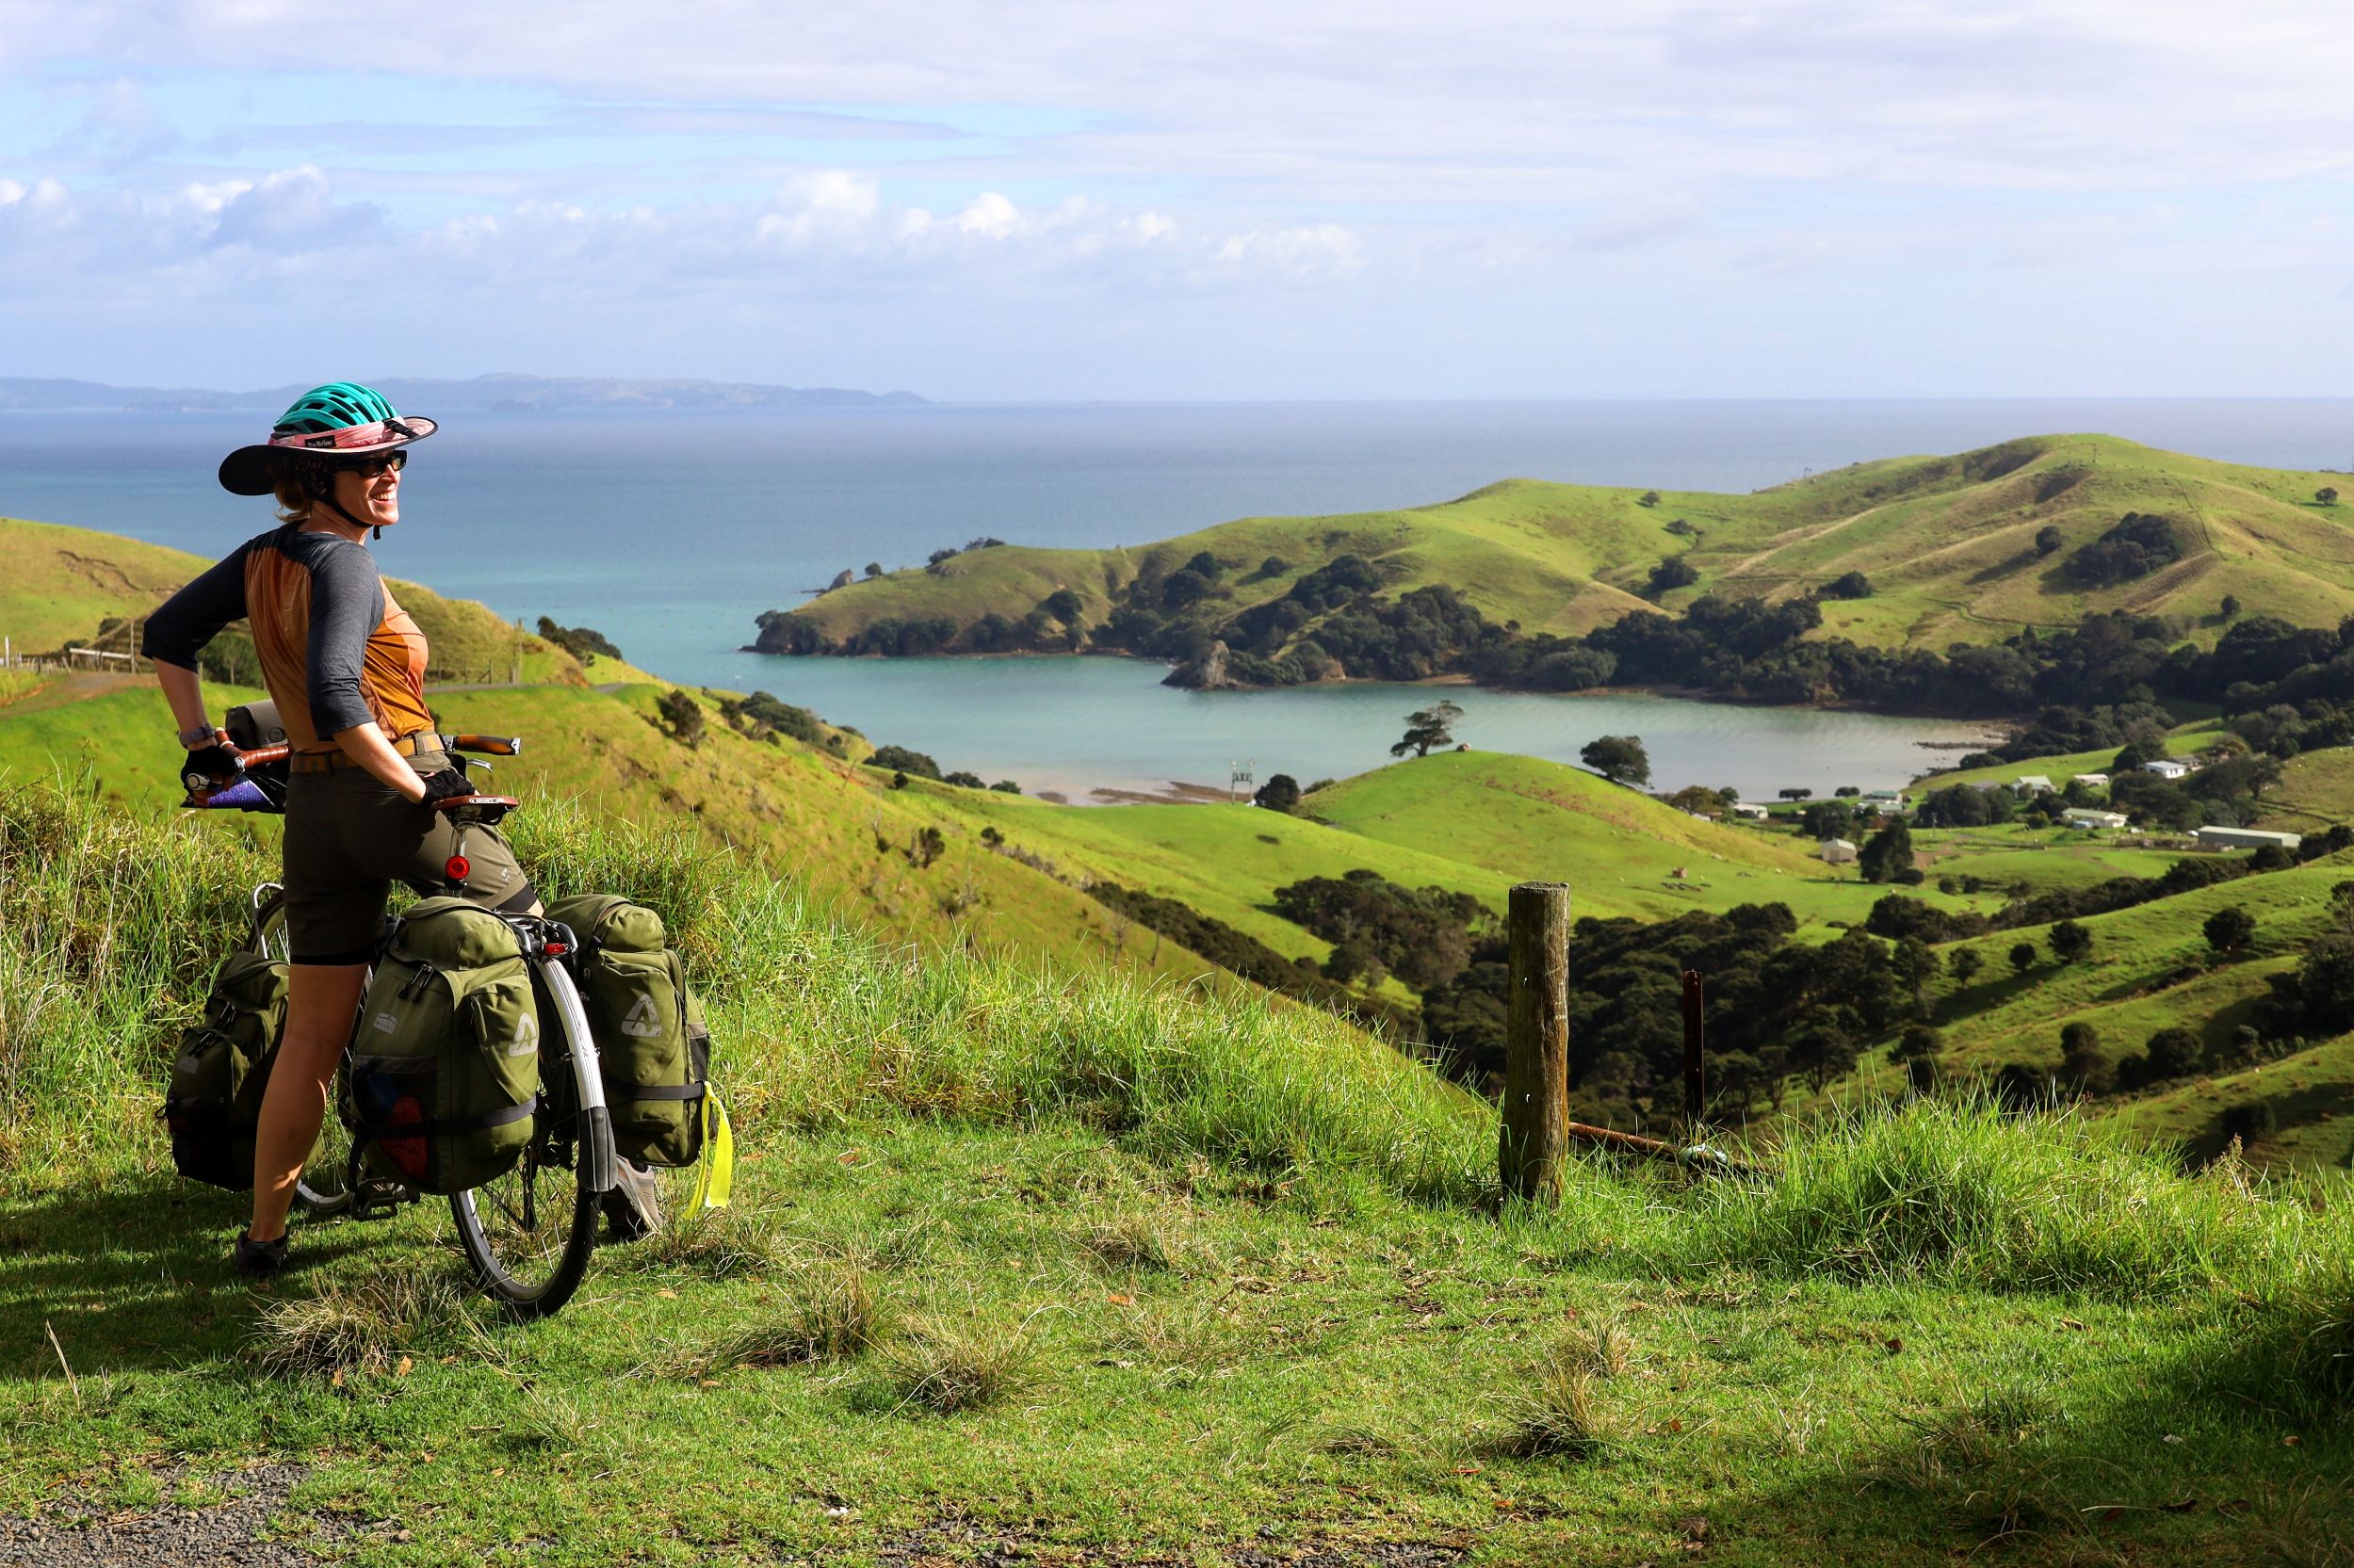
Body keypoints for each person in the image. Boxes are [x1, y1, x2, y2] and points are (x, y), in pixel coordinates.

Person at [138, 383, 576, 1277]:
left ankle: (264, 1237)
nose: (388, 475)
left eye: (393, 458)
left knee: (310, 1037)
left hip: (313, 816)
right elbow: (343, 697)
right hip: (386, 798)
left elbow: (168, 632)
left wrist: (202, 744)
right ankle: (588, 1152)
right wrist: (419, 791)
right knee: (537, 935)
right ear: (313, 478)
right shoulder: (343, 564)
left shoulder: (265, 555)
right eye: (364, 465)